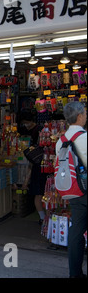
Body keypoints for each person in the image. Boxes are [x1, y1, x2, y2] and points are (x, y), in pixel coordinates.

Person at [55, 101, 87, 278]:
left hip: (74, 190)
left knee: (76, 232)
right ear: (80, 116)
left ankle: (75, 273)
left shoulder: (61, 141)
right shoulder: (85, 138)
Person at [19, 111, 47, 224]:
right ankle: (43, 217)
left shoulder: (38, 131)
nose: (25, 125)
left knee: (40, 193)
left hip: (39, 165)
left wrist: (26, 179)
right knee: (40, 193)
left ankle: (43, 217)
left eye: (26, 123)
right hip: (40, 165)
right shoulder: (32, 130)